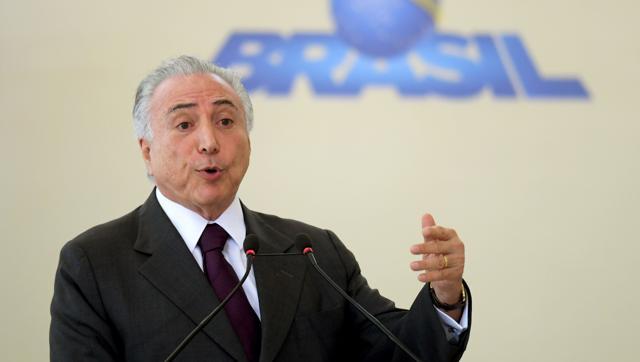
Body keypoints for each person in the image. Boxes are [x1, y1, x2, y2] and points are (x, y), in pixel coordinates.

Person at [50, 55, 471, 361]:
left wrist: (445, 296)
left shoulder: (313, 251)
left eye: (226, 121)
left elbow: (399, 353)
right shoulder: (94, 263)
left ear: (248, 142)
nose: (209, 142)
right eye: (183, 124)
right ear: (146, 151)